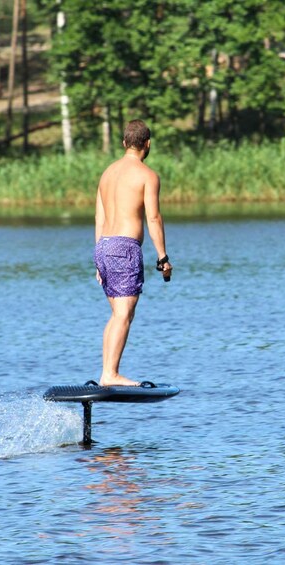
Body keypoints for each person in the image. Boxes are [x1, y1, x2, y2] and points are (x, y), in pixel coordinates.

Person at [93, 120, 173, 387]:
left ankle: (107, 370)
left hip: (103, 247)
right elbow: (153, 217)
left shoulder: (106, 173)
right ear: (147, 144)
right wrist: (162, 257)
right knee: (123, 314)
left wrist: (98, 259)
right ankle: (110, 374)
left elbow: (99, 216)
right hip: (125, 248)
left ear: (124, 143)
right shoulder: (147, 175)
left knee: (118, 312)